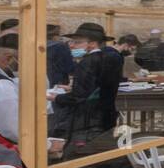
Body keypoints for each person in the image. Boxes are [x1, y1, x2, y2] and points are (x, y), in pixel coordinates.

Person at [51, 22, 124, 153]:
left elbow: (79, 96)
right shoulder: (105, 58)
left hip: (88, 120)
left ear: (92, 44)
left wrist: (56, 97)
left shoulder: (87, 62)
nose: (71, 45)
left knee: (81, 154)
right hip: (105, 115)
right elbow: (98, 86)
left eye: (77, 42)